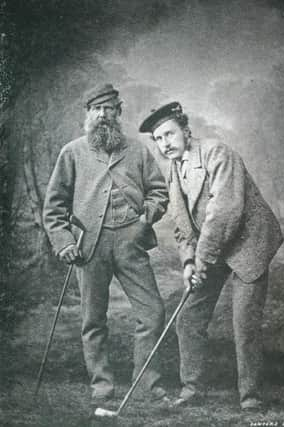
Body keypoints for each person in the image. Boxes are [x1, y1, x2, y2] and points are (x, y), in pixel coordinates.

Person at [139, 102, 284, 412]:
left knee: (244, 323)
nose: (165, 144)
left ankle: (251, 397)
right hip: (213, 248)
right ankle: (192, 389)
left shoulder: (218, 152)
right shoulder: (175, 170)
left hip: (248, 244)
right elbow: (182, 227)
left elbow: (224, 213)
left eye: (169, 134)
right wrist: (189, 263)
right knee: (188, 317)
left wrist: (202, 261)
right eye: (159, 140)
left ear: (185, 130)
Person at [43, 84, 169, 413]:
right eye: (97, 109)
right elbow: (53, 209)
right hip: (89, 247)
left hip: (131, 243)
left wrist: (146, 219)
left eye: (109, 109)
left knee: (153, 314)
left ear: (119, 112)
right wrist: (65, 243)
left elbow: (159, 192)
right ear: (87, 114)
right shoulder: (72, 152)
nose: (103, 115)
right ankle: (102, 385)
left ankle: (147, 383)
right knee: (93, 320)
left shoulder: (139, 150)